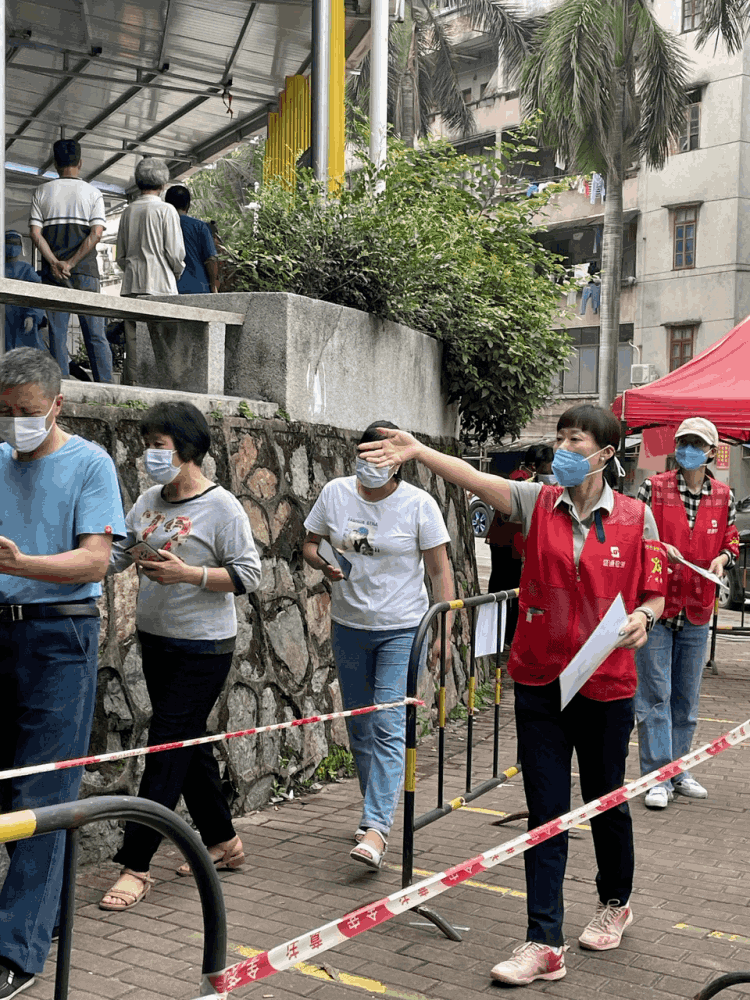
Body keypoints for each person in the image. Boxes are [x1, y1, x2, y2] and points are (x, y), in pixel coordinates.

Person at [359, 405, 667, 984]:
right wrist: (418, 451)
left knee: (605, 800)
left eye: (576, 440)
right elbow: (477, 479)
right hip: (539, 681)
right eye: (560, 439)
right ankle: (544, 941)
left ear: (605, 454)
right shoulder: (537, 502)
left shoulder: (637, 517)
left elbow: (654, 591)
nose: (564, 450)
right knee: (546, 811)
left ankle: (615, 901)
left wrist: (644, 618)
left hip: (605, 683)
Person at [99, 401, 261, 912]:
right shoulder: (149, 499)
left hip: (203, 648)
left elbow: (249, 574)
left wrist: (187, 574)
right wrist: (78, 559)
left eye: (159, 446)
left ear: (188, 449)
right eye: (146, 444)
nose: (150, 454)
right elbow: (118, 552)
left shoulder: (222, 507)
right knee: (189, 744)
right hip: (156, 640)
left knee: (166, 746)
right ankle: (224, 841)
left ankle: (136, 864)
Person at [0, 347, 125, 998]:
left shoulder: (90, 464)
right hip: (2, 626)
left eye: (25, 411)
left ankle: (15, 951)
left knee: (42, 791)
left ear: (57, 404)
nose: (13, 423)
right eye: (3, 411)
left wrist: (22, 564)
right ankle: (38, 919)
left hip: (60, 633)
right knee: (13, 790)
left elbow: (96, 561)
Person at [302, 421, 455, 871]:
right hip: (348, 626)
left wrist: (444, 634)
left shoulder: (419, 505)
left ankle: (375, 828)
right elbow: (309, 544)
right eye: (364, 454)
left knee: (388, 723)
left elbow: (440, 572)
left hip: (401, 628)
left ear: (398, 462)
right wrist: (324, 563)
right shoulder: (335, 493)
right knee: (361, 726)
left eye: (381, 455)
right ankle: (376, 813)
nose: (370, 463)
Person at [635, 417, 740, 810]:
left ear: (711, 452)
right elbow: (633, 532)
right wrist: (658, 546)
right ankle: (656, 777)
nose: (688, 450)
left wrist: (723, 558)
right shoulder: (654, 487)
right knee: (655, 694)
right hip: (658, 604)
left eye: (697, 444)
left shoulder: (724, 496)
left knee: (686, 697)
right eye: (683, 443)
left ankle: (679, 770)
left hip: (698, 606)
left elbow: (731, 538)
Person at [29, 139, 114, 383]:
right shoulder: (93, 193)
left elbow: (35, 234)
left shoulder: (42, 192)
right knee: (95, 333)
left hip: (53, 274)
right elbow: (96, 234)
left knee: (57, 333)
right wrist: (72, 263)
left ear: (55, 164)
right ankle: (107, 388)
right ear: (80, 163)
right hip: (85, 271)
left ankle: (61, 388)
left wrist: (55, 263)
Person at [115, 158, 186, 385]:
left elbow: (120, 256)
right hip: (161, 285)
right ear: (163, 184)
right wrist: (176, 272)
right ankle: (166, 387)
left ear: (138, 182)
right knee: (165, 345)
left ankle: (133, 389)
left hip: (131, 285)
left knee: (133, 346)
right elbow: (175, 253)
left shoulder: (128, 211)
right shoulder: (166, 210)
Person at [487, 445, 555, 642]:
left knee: (507, 587)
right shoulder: (521, 481)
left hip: (511, 543)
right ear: (535, 465)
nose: (551, 472)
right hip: (509, 544)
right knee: (506, 588)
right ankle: (502, 634)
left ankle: (504, 633)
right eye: (549, 467)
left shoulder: (525, 479)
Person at [164, 185, 220, 294]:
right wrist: (214, 286)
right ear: (188, 205)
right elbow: (211, 260)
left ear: (166, 204)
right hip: (198, 288)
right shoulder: (200, 226)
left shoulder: (161, 226)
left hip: (168, 288)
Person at [3, 231, 46, 352]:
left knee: (25, 355)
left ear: (21, 246)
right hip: (3, 320)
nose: (12, 247)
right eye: (9, 242)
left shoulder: (27, 270)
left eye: (15, 243)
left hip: (23, 321)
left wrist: (31, 315)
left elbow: (38, 294)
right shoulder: (1, 269)